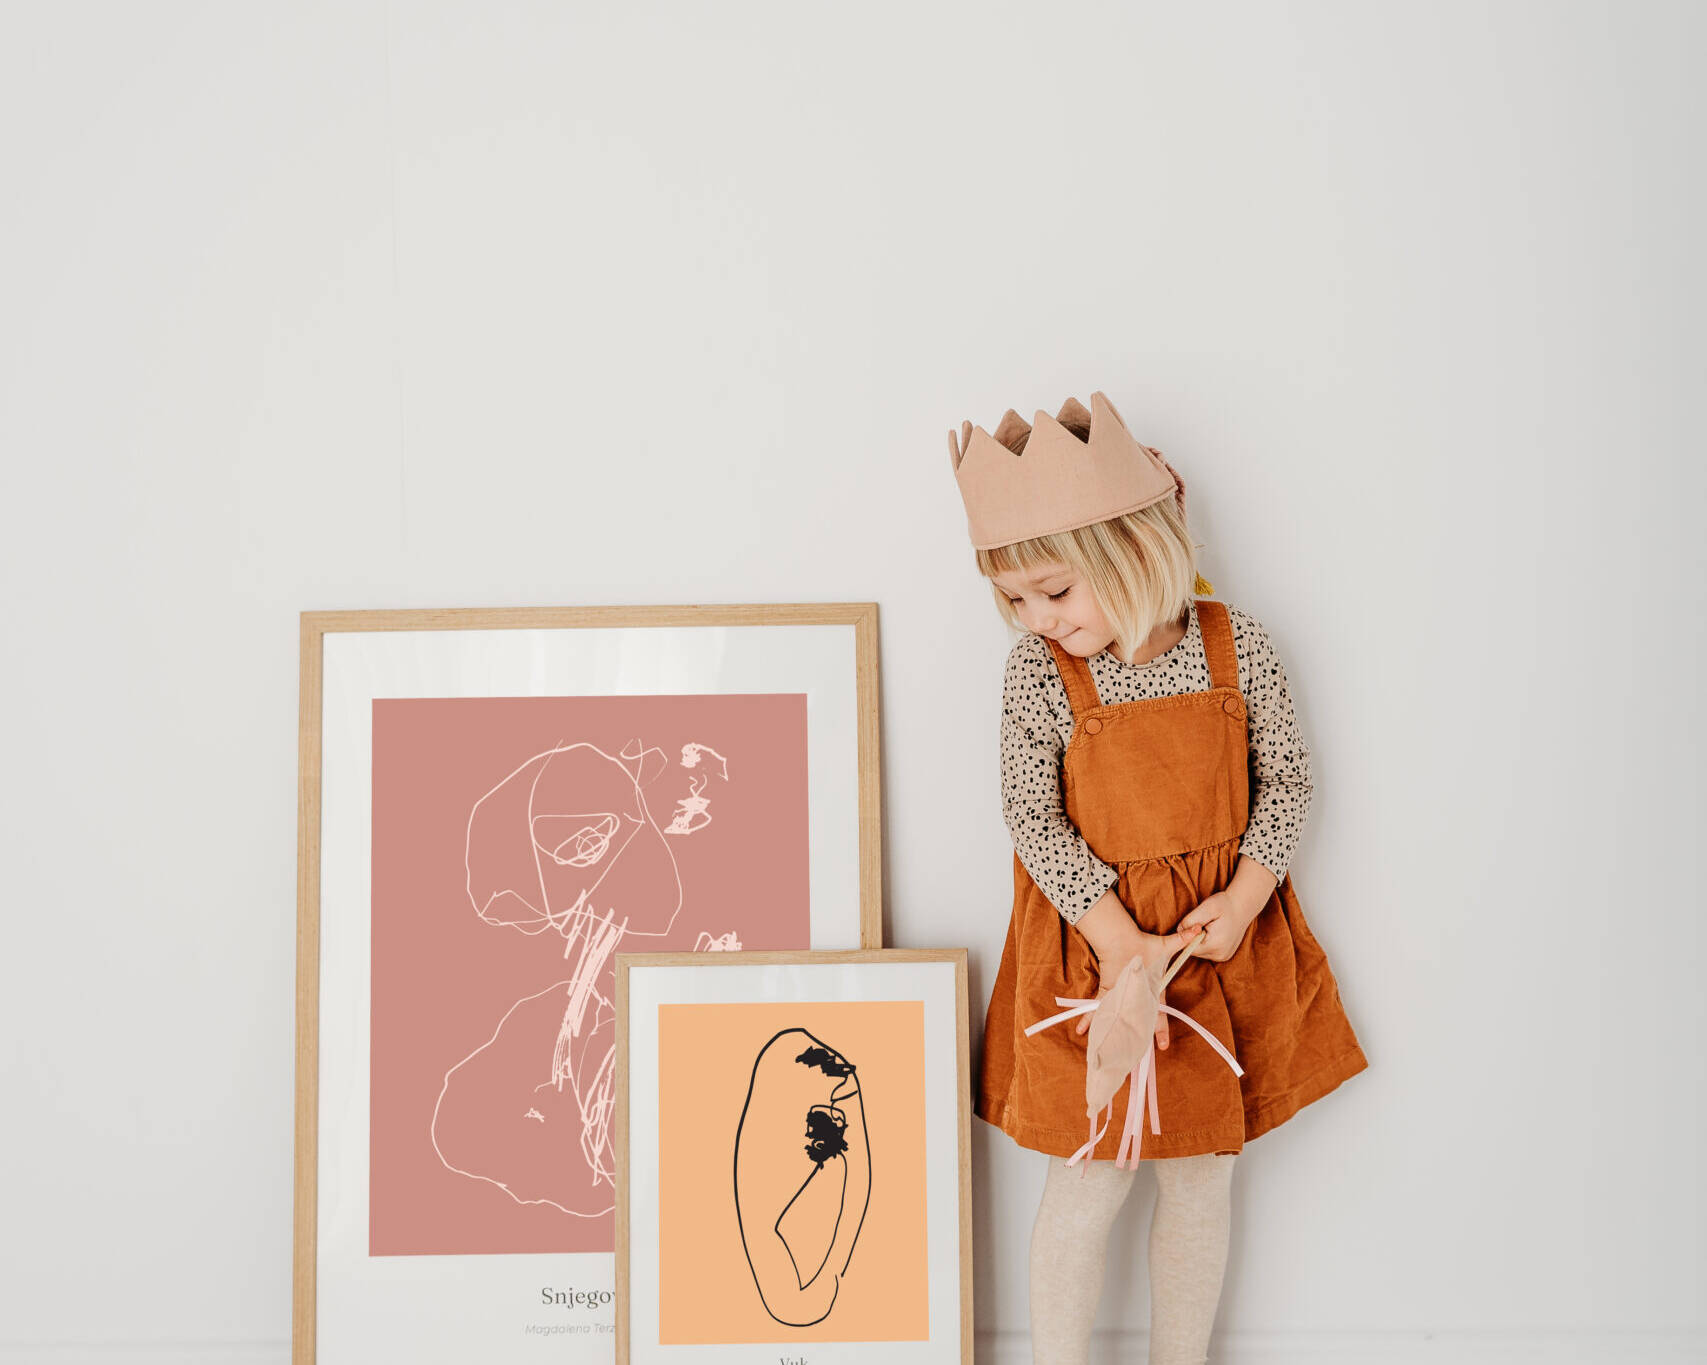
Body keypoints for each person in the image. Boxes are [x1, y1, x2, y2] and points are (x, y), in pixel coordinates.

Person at [947, 390, 1369, 1365]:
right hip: (1094, 964)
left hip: (1213, 957)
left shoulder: (1238, 646)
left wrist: (1247, 898)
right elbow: (1031, 815)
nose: (1034, 619)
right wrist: (1114, 938)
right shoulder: (1037, 674)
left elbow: (1287, 781)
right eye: (1013, 600)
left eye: (1054, 591)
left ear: (1134, 551)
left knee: (1200, 1177)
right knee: (1089, 1174)